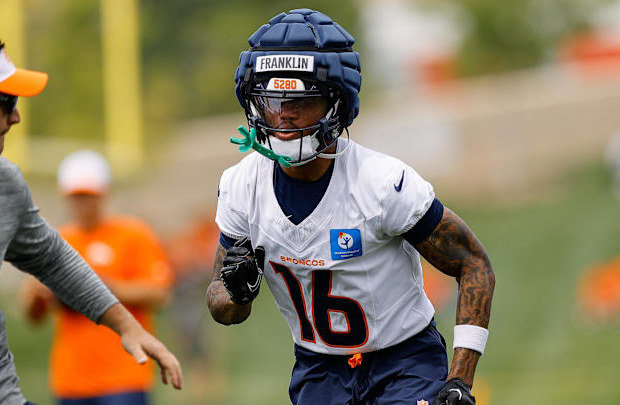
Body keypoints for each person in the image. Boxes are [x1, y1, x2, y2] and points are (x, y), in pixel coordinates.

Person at [206, 9, 495, 405]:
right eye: (271, 99)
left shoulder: (381, 184)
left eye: (300, 100)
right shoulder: (241, 185)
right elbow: (223, 307)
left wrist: (460, 378)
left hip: (403, 363)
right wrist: (236, 291)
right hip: (318, 370)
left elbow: (473, 263)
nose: (284, 115)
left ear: (336, 104)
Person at [0, 34, 181, 405]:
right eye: (6, 102)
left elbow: (54, 260)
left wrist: (127, 327)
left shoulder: (3, 180)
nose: (16, 116)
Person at [20, 150, 174, 405]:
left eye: (87, 196)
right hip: (71, 381)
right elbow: (33, 316)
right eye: (76, 197)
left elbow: (160, 293)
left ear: (103, 194)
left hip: (124, 376)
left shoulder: (133, 234)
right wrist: (38, 293)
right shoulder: (57, 241)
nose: (81, 204)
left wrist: (98, 288)